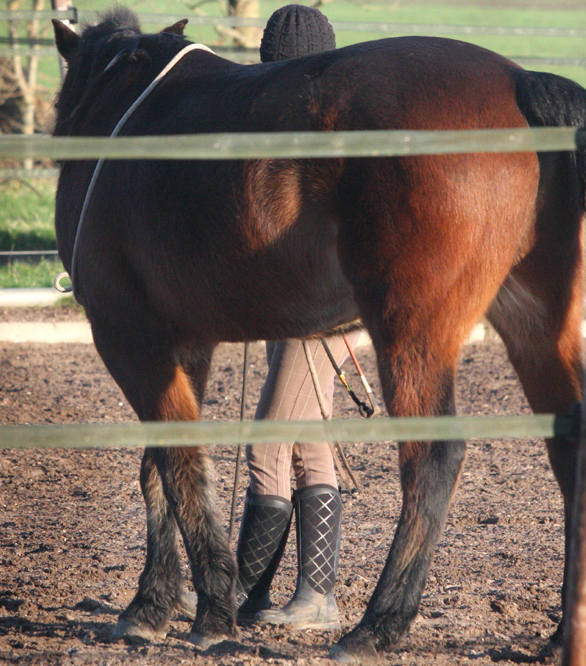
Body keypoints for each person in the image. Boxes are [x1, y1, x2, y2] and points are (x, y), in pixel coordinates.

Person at [234, 5, 349, 632]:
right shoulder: (300, 134)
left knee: (270, 443)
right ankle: (314, 596)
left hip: (321, 315)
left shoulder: (323, 142)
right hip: (295, 307)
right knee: (309, 443)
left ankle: (238, 595)